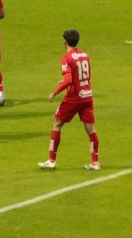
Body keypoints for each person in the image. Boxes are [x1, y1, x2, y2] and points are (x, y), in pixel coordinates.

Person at [38, 29, 100, 171]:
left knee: (57, 123)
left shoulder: (66, 58)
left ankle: (51, 160)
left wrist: (55, 92)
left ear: (65, 42)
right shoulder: (85, 55)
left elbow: (68, 80)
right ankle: (95, 163)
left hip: (74, 97)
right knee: (91, 130)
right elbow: (86, 76)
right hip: (87, 95)